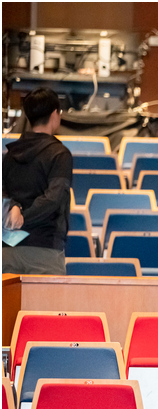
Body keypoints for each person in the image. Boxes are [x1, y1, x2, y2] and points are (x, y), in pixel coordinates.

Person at [2, 87, 72, 275]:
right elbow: (54, 198)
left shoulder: (10, 155)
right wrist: (24, 217)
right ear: (55, 114)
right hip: (45, 250)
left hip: (7, 249)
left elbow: (3, 193)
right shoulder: (59, 154)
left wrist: (15, 208)